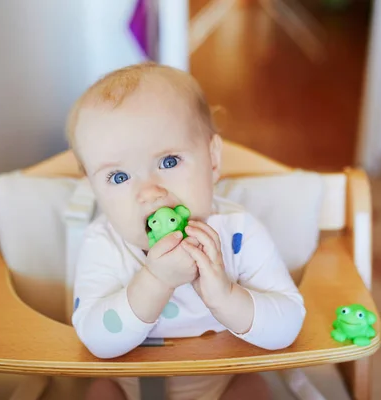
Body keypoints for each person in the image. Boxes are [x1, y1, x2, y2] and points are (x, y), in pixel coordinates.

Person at [66, 62, 306, 400]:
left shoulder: (240, 234)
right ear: (92, 186)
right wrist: (157, 280)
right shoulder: (104, 243)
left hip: (223, 383)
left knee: (253, 389)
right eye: (118, 177)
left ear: (212, 159)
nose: (149, 191)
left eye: (168, 162)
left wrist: (224, 296)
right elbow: (96, 340)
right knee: (100, 392)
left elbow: (288, 325)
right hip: (129, 387)